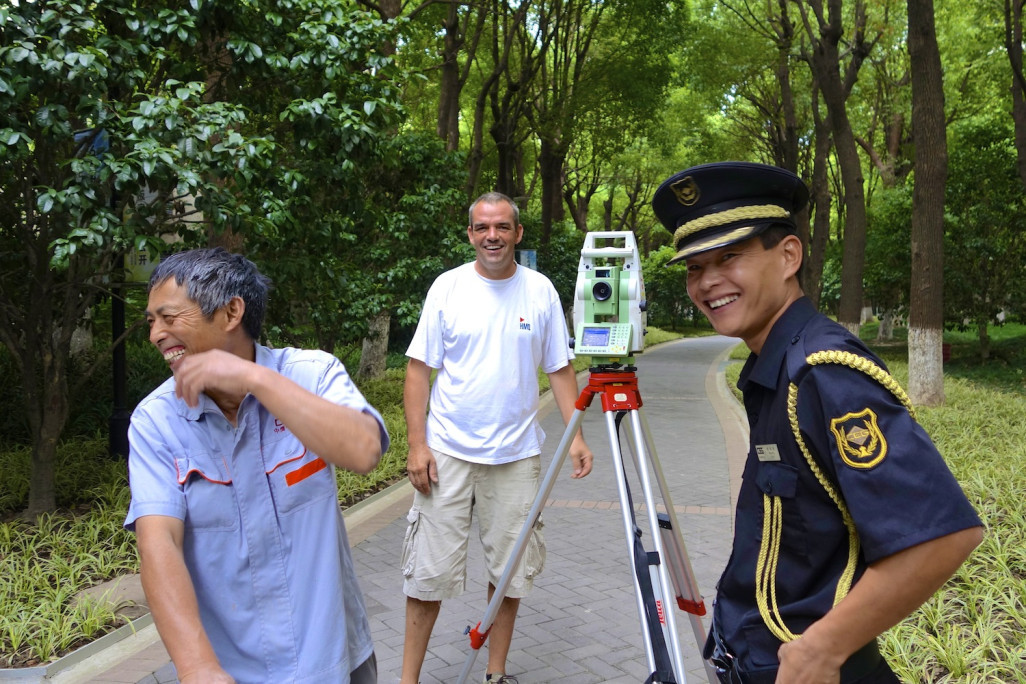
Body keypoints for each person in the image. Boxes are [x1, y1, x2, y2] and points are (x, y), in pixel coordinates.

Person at [652, 162, 983, 683]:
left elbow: (940, 535)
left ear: (788, 256)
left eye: (729, 257)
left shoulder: (824, 372)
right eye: (695, 267)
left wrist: (822, 650)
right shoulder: (777, 366)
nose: (708, 281)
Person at [124, 248, 389, 684]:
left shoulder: (312, 374)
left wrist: (255, 380)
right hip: (231, 670)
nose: (156, 334)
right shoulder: (155, 421)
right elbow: (158, 544)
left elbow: (363, 451)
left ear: (231, 311)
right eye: (151, 321)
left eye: (169, 317)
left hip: (336, 658)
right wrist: (196, 667)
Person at [400, 192, 594, 684]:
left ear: (517, 233)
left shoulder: (540, 291)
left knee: (508, 574)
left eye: (503, 227)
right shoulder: (447, 288)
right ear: (470, 234)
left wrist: (576, 435)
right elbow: (418, 372)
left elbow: (560, 369)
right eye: (483, 227)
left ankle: (496, 673)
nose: (493, 236)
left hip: (516, 456)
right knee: (426, 575)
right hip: (446, 453)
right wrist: (417, 445)